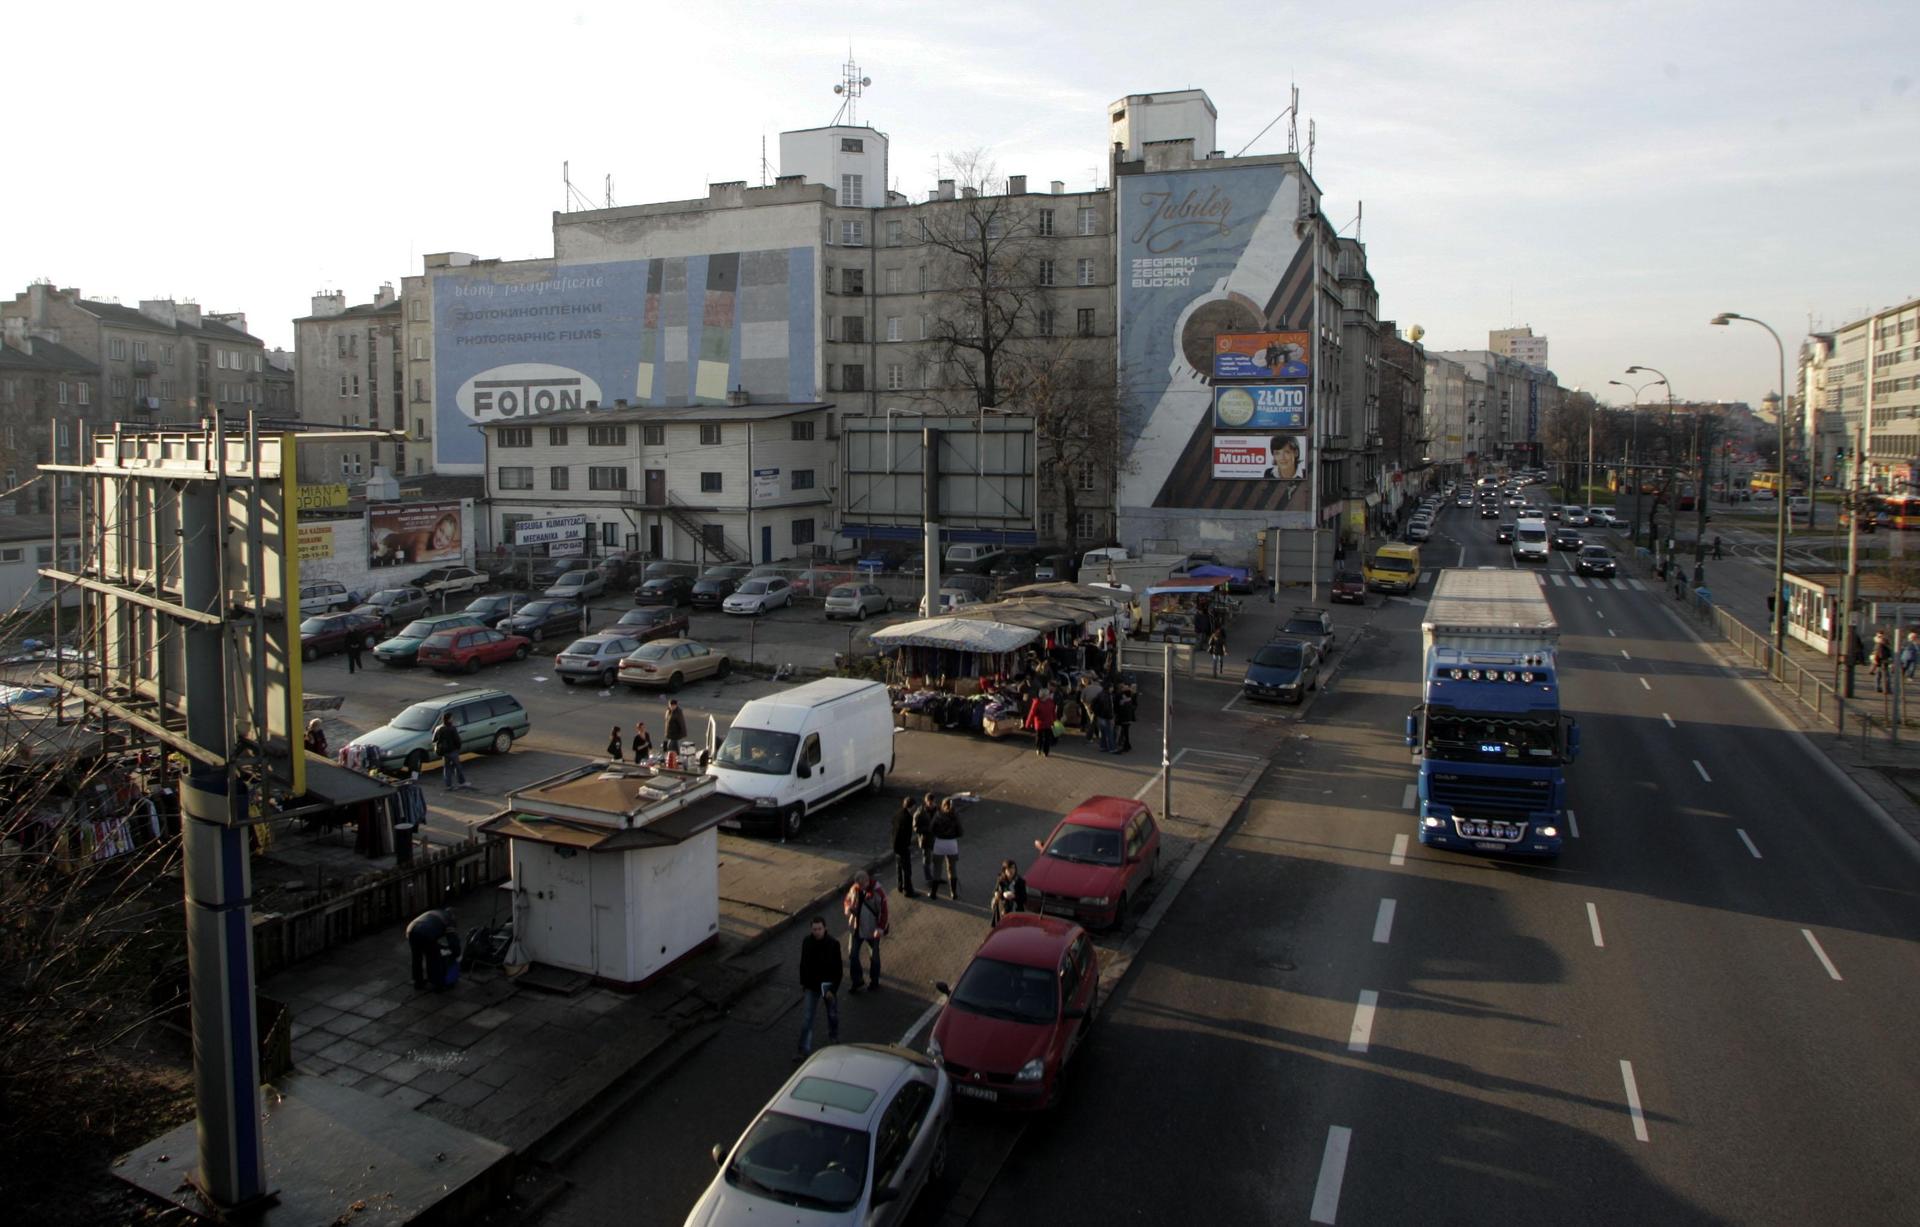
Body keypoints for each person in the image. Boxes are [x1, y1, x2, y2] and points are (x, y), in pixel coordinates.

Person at [795, 915, 842, 1058]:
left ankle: (833, 1037)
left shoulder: (833, 944)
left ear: (825, 928)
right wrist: (804, 983)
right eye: (814, 929)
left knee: (832, 1015)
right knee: (807, 1019)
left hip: (827, 986)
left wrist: (832, 990)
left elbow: (838, 970)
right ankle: (803, 1049)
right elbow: (803, 964)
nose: (817, 932)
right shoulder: (807, 942)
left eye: (819, 929)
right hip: (811, 985)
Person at [842, 871, 888, 992]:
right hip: (856, 928)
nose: (860, 888)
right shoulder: (855, 888)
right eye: (858, 885)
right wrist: (847, 907)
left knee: (874, 957)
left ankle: (874, 980)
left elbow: (884, 912)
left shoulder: (878, 893)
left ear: (867, 881)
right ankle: (857, 981)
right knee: (853, 954)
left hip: (872, 929)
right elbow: (847, 899)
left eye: (862, 885)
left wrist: (880, 928)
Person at [405, 907, 460, 990]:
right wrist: (456, 952)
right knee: (433, 958)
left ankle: (418, 982)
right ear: (453, 916)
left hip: (411, 930)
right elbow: (452, 940)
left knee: (416, 957)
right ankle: (437, 984)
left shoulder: (436, 912)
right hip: (425, 933)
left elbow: (431, 925)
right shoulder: (449, 920)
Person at [930, 798, 963, 900]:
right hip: (952, 844)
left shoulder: (938, 815)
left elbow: (931, 828)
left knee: (937, 869)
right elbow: (960, 832)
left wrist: (937, 834)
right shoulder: (955, 816)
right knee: (952, 869)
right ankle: (953, 893)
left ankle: (933, 893)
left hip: (939, 843)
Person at [890, 798, 919, 898]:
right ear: (911, 806)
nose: (915, 809)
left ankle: (900, 886)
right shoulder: (907, 818)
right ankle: (908, 891)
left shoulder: (898, 814)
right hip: (903, 847)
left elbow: (892, 823)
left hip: (895, 846)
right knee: (907, 869)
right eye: (914, 807)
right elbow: (906, 835)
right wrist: (907, 845)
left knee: (899, 867)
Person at [433, 712, 469, 789]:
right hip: (452, 751)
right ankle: (461, 782)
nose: (452, 719)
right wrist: (458, 748)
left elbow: (434, 739)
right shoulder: (452, 728)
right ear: (449, 719)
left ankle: (448, 785)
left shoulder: (438, 728)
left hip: (444, 752)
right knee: (458, 766)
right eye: (451, 718)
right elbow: (457, 740)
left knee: (447, 768)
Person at [989, 859, 1027, 928]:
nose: (1011, 871)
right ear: (1004, 871)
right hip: (1002, 910)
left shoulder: (1020, 882)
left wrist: (1014, 896)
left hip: (1015, 910)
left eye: (1013, 868)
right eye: (1009, 869)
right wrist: (996, 895)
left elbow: (1024, 898)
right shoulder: (1001, 880)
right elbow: (996, 890)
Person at [914, 792, 940, 889]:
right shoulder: (920, 812)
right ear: (926, 802)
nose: (932, 804)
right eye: (930, 802)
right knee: (927, 860)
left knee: (937, 859)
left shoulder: (937, 810)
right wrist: (927, 829)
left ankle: (937, 876)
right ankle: (928, 879)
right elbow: (916, 828)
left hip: (936, 838)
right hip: (926, 839)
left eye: (933, 802)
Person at [1026, 688, 1058, 758]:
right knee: (1039, 737)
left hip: (1047, 723)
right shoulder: (1037, 702)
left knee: (1047, 738)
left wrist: (1055, 721)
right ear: (1043, 696)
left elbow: (1053, 712)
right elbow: (1032, 713)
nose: (1049, 696)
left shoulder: (1050, 702)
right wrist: (1028, 723)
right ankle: (1038, 748)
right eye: (1048, 695)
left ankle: (1045, 752)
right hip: (1040, 723)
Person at [1092, 685, 1116, 753]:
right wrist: (1111, 717)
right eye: (1111, 686)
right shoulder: (1107, 696)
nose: (1113, 688)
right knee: (1109, 733)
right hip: (1106, 717)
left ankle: (1103, 747)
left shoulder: (1100, 694)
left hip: (1100, 716)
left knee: (1102, 732)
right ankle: (1112, 748)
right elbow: (1107, 708)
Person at [1115, 684, 1136, 754]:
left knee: (1124, 732)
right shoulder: (1129, 700)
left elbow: (1120, 709)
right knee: (1125, 732)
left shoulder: (1124, 701)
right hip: (1127, 719)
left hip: (1124, 719)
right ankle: (1127, 745)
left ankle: (1126, 746)